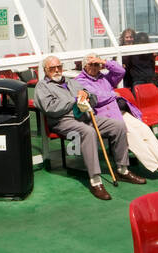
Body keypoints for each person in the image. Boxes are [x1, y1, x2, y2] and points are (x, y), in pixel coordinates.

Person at [35, 55, 143, 201]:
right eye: (52, 68)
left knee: (118, 125)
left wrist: (87, 95)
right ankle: (95, 180)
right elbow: (50, 108)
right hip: (63, 121)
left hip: (84, 117)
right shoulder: (42, 86)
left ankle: (122, 169)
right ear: (45, 70)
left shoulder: (72, 82)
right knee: (88, 132)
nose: (56, 70)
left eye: (59, 67)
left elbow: (94, 98)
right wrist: (73, 100)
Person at [74, 54, 158, 180]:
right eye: (91, 64)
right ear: (85, 66)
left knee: (143, 129)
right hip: (105, 117)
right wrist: (113, 94)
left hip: (119, 111)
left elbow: (121, 71)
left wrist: (104, 62)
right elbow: (97, 97)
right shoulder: (80, 81)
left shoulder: (103, 77)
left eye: (97, 64)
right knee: (132, 135)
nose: (95, 67)